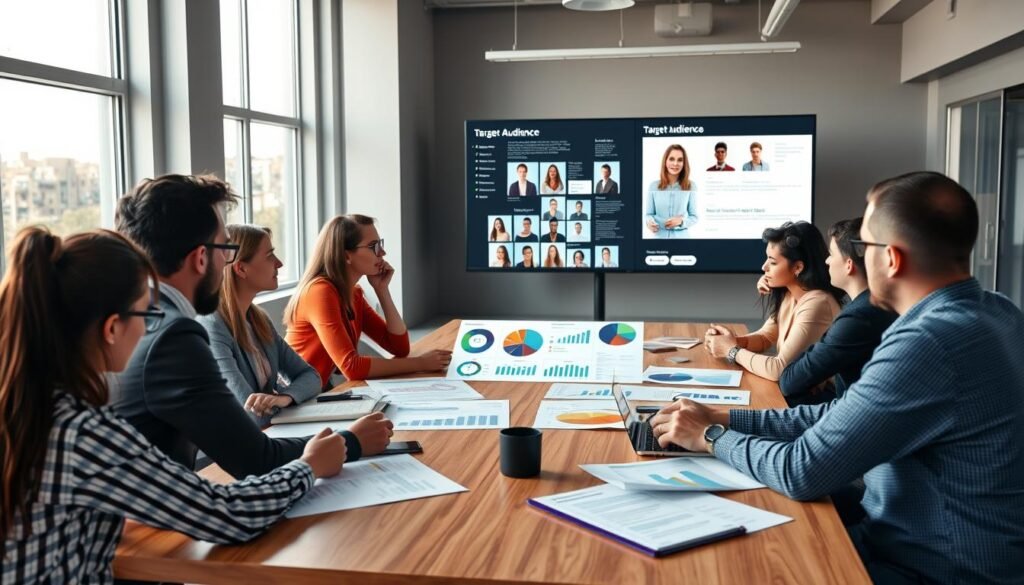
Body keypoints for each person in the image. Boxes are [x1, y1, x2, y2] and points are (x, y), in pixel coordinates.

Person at [651, 172, 1024, 585]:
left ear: (891, 258)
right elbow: (842, 413)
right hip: (931, 544)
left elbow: (802, 470)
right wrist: (723, 418)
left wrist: (710, 438)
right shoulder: (996, 310)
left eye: (864, 245)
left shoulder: (929, 341)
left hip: (932, 567)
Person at [0, 227, 346, 584]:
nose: (148, 331)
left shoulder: (26, 408)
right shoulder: (82, 431)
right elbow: (228, 515)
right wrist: (309, 465)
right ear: (112, 329)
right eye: (145, 315)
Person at [113, 175, 393, 480]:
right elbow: (255, 458)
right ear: (201, 258)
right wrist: (351, 442)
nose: (227, 263)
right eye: (225, 250)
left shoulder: (140, 320)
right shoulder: (175, 336)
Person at [285, 214, 451, 383]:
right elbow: (352, 367)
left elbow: (399, 348)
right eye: (374, 246)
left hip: (319, 391)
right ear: (346, 256)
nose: (383, 252)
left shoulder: (354, 293)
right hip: (296, 399)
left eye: (380, 244)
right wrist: (420, 364)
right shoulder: (319, 292)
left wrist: (382, 290)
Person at [197, 225, 324, 427]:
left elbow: (311, 376)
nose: (280, 264)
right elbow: (251, 415)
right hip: (236, 447)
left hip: (271, 433)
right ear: (241, 268)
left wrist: (285, 397)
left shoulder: (258, 319)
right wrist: (281, 399)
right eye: (269, 256)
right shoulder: (212, 327)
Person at [778, 218, 897, 405]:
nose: (826, 261)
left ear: (849, 265)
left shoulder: (860, 316)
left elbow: (789, 381)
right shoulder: (881, 303)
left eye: (831, 254)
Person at [704, 221, 843, 382]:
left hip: (820, 401)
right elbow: (766, 338)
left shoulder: (817, 303)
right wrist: (729, 342)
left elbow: (779, 369)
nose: (764, 267)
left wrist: (731, 350)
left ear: (798, 268)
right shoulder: (791, 295)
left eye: (773, 262)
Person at [645, 144, 698, 238]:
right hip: (659, 240)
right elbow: (649, 214)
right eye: (671, 159)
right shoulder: (653, 186)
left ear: (684, 163)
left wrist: (681, 222)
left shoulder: (691, 186)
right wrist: (649, 222)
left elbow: (694, 217)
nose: (675, 163)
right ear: (665, 161)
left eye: (680, 160)